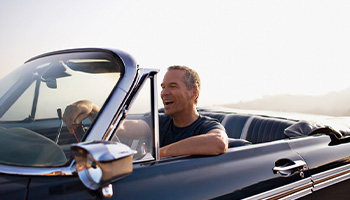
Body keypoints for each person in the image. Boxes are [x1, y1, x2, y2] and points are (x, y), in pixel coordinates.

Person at [63, 65, 228, 158]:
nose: (164, 93)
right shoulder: (159, 122)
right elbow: (122, 127)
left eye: (173, 86)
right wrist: (91, 107)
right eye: (163, 87)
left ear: (194, 93)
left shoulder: (207, 125)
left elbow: (218, 142)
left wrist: (157, 154)